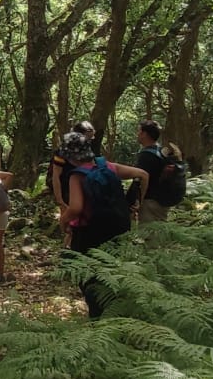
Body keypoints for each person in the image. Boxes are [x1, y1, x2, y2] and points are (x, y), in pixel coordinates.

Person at [56, 131, 148, 318]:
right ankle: (116, 315)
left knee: (90, 278)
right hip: (117, 231)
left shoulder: (77, 175)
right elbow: (143, 175)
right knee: (112, 275)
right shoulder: (108, 166)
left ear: (69, 156)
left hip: (89, 234)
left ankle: (98, 320)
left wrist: (63, 220)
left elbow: (76, 207)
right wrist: (139, 202)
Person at [135, 120, 171, 223]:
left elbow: (141, 179)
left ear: (144, 134)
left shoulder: (146, 155)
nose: (137, 134)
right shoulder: (161, 152)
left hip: (150, 202)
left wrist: (138, 201)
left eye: (139, 131)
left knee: (150, 232)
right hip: (162, 200)